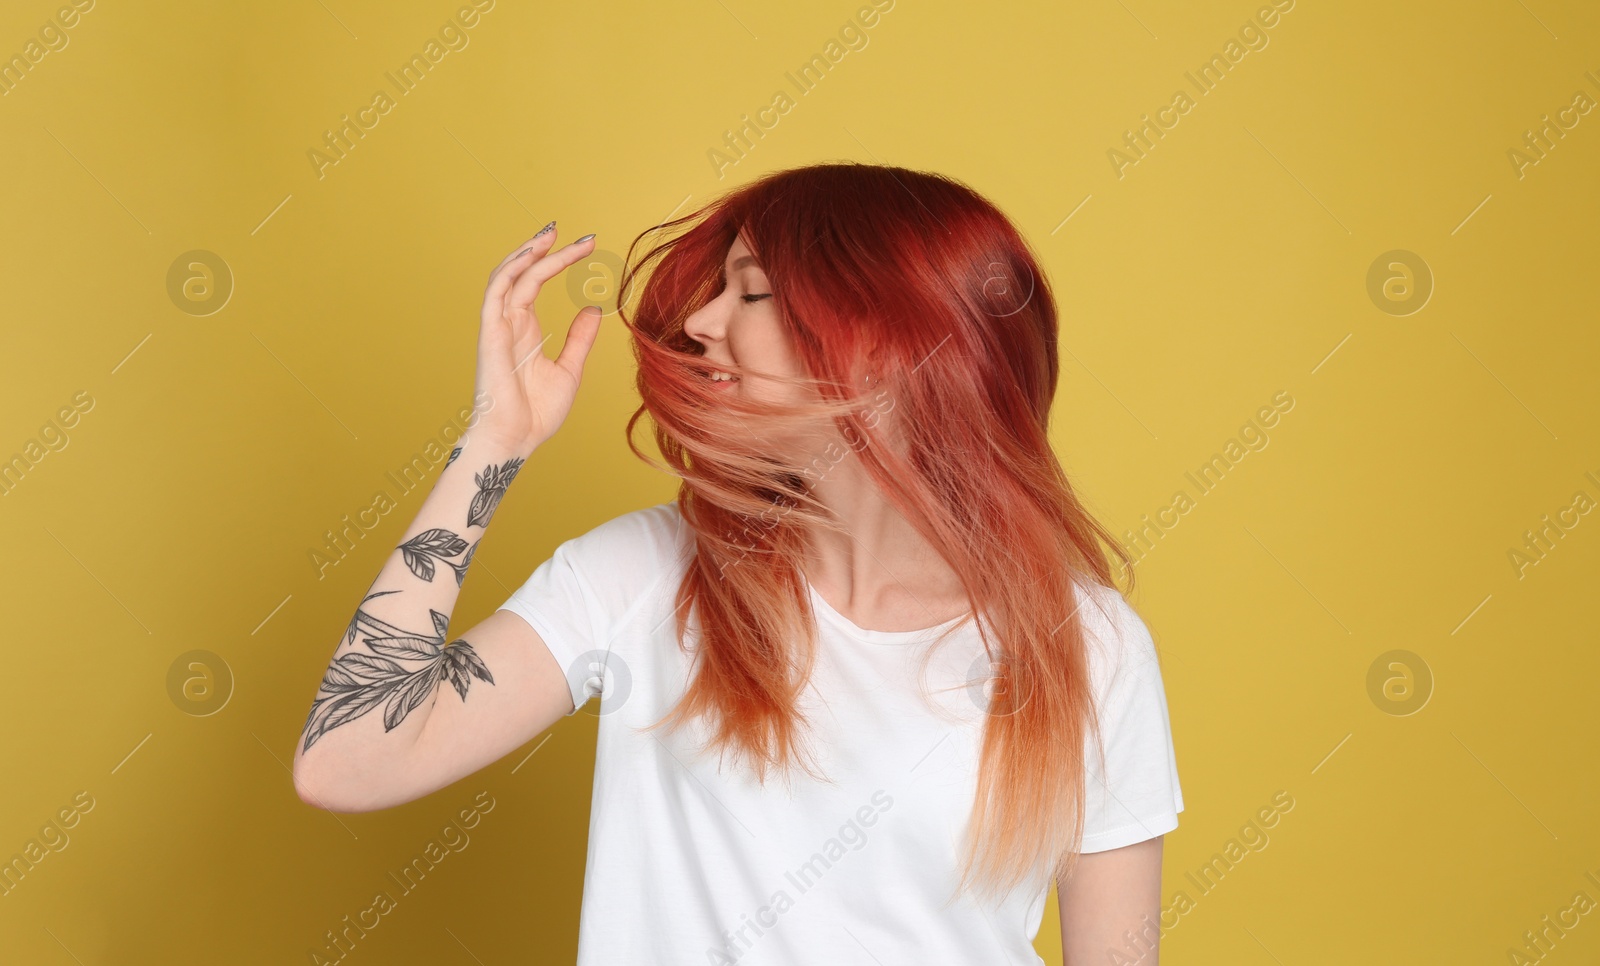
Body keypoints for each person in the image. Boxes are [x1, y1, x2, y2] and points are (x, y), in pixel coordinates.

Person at [291, 162, 1183, 965]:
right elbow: (348, 762)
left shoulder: (1088, 645)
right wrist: (496, 442)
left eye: (749, 295)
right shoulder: (645, 575)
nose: (704, 322)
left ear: (883, 342)